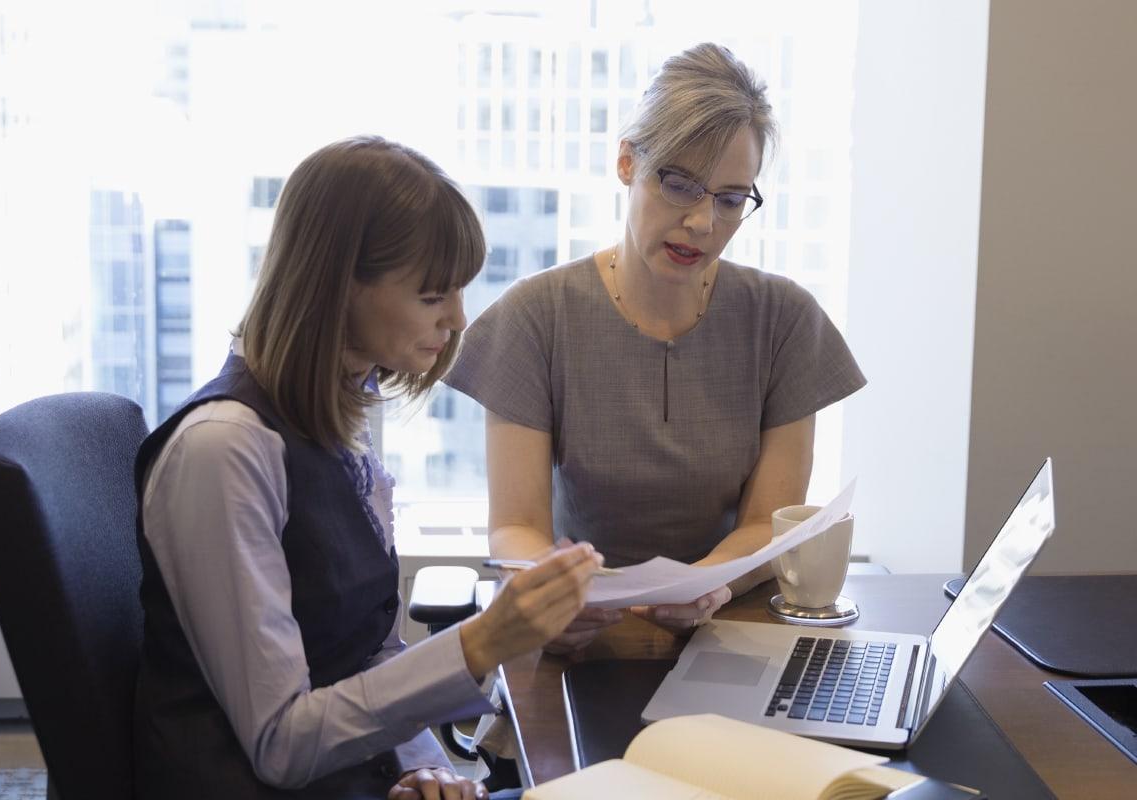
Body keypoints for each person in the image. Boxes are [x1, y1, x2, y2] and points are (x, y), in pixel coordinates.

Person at [132, 136, 599, 800]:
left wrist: (417, 767)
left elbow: (366, 657)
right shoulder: (222, 451)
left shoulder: (335, 422)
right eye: (433, 294)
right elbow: (281, 744)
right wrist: (481, 642)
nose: (458, 318)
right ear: (338, 288)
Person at [446, 43, 866, 655]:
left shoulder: (783, 320)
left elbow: (764, 524)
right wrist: (559, 593)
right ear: (626, 163)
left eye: (728, 199)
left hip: (727, 638)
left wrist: (705, 587)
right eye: (679, 184)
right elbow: (516, 527)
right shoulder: (538, 316)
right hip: (581, 641)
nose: (701, 222)